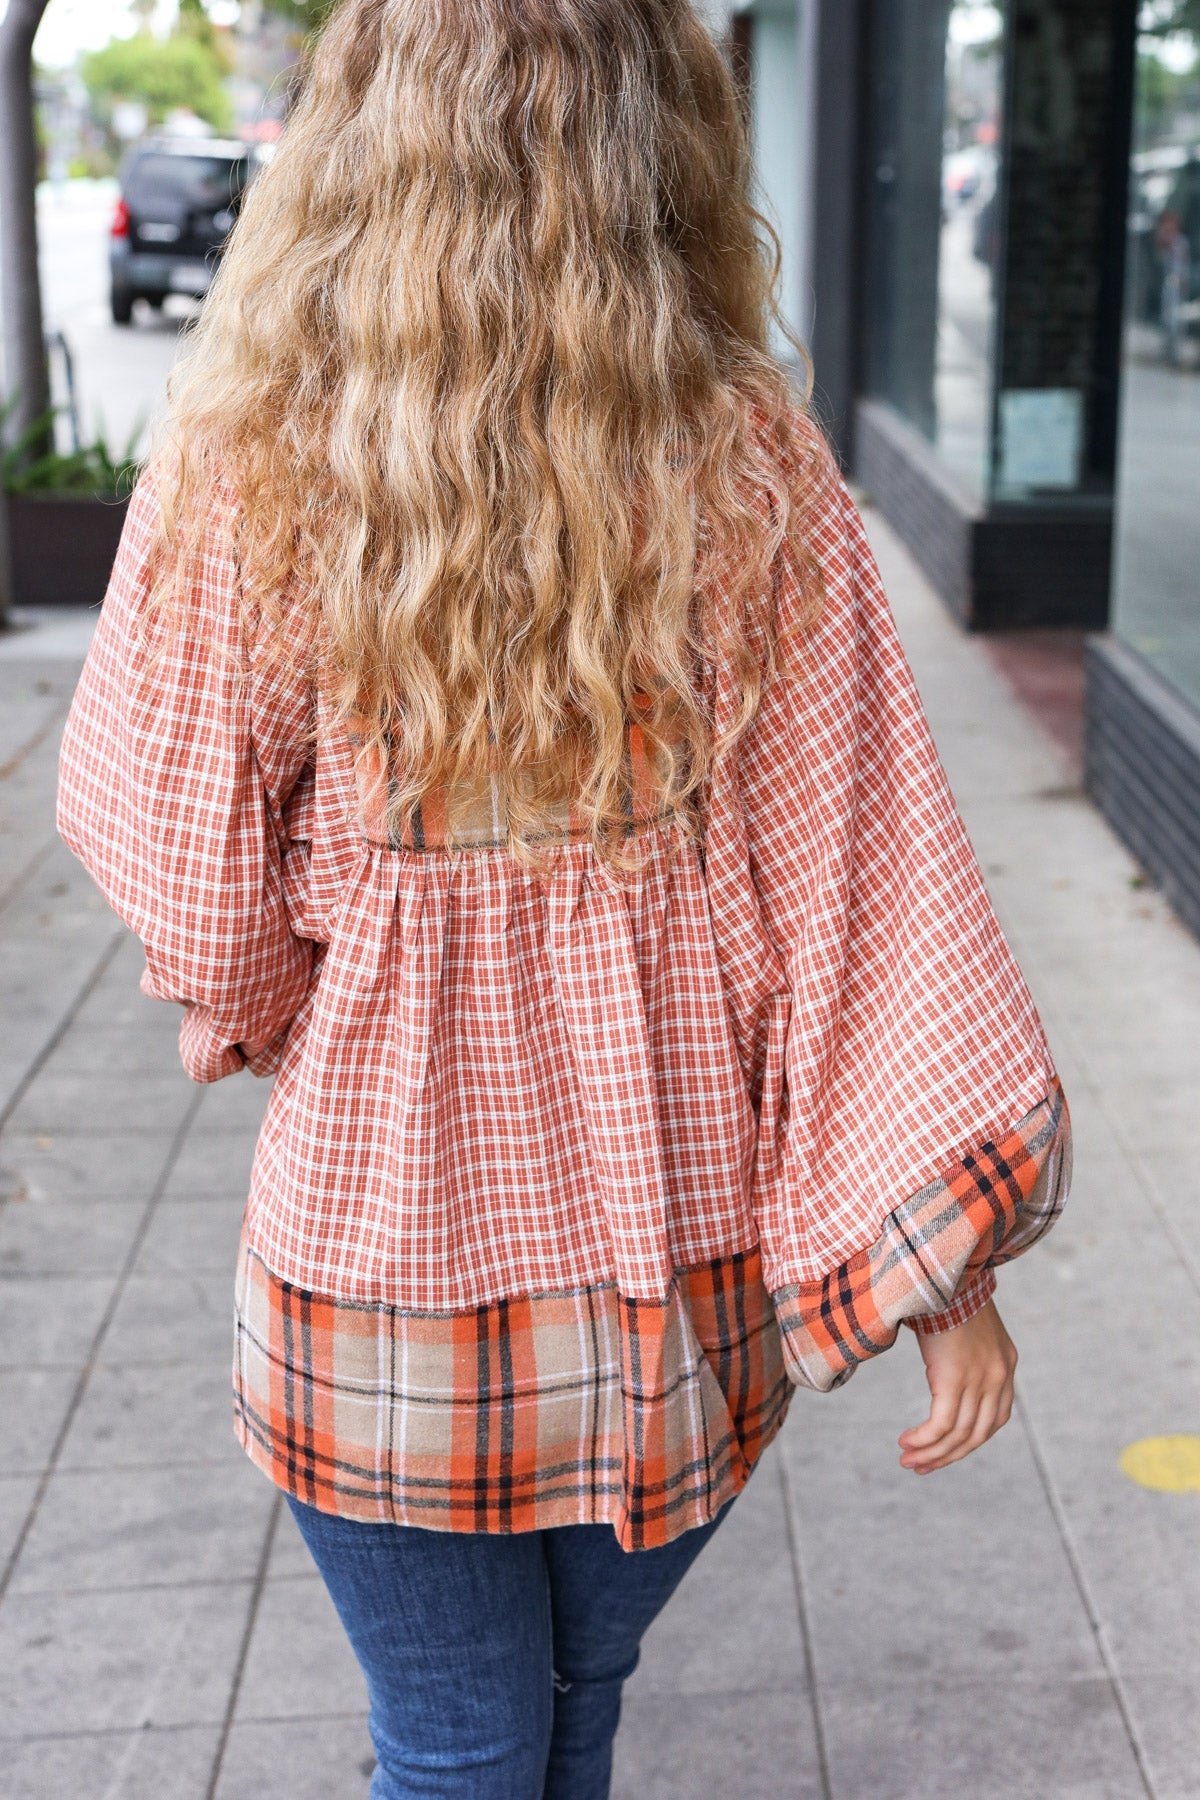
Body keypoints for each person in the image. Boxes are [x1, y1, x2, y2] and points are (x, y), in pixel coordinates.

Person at [57, 2, 1072, 1795]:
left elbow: (190, 879)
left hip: (379, 1263)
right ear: (656, 138)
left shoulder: (250, 473)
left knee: (452, 1747)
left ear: (361, 131)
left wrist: (312, 985)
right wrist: (941, 1278)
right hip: (669, 1276)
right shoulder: (754, 475)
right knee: (561, 1726)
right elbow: (867, 895)